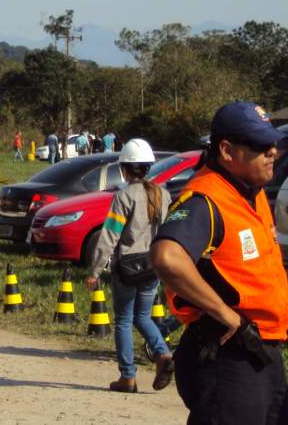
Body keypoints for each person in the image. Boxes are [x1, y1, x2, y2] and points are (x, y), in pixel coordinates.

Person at [150, 101, 288, 424]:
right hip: (228, 358)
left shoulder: (250, 192)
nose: (273, 151)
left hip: (260, 353)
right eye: (260, 145)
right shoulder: (206, 200)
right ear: (227, 151)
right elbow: (166, 257)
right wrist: (225, 314)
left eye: (273, 143)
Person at [85, 138, 174, 393]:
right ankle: (162, 354)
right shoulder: (163, 194)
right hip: (153, 266)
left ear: (124, 169)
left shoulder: (124, 196)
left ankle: (128, 377)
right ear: (148, 167)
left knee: (124, 320)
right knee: (143, 317)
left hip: (126, 268)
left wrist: (95, 270)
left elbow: (110, 235)